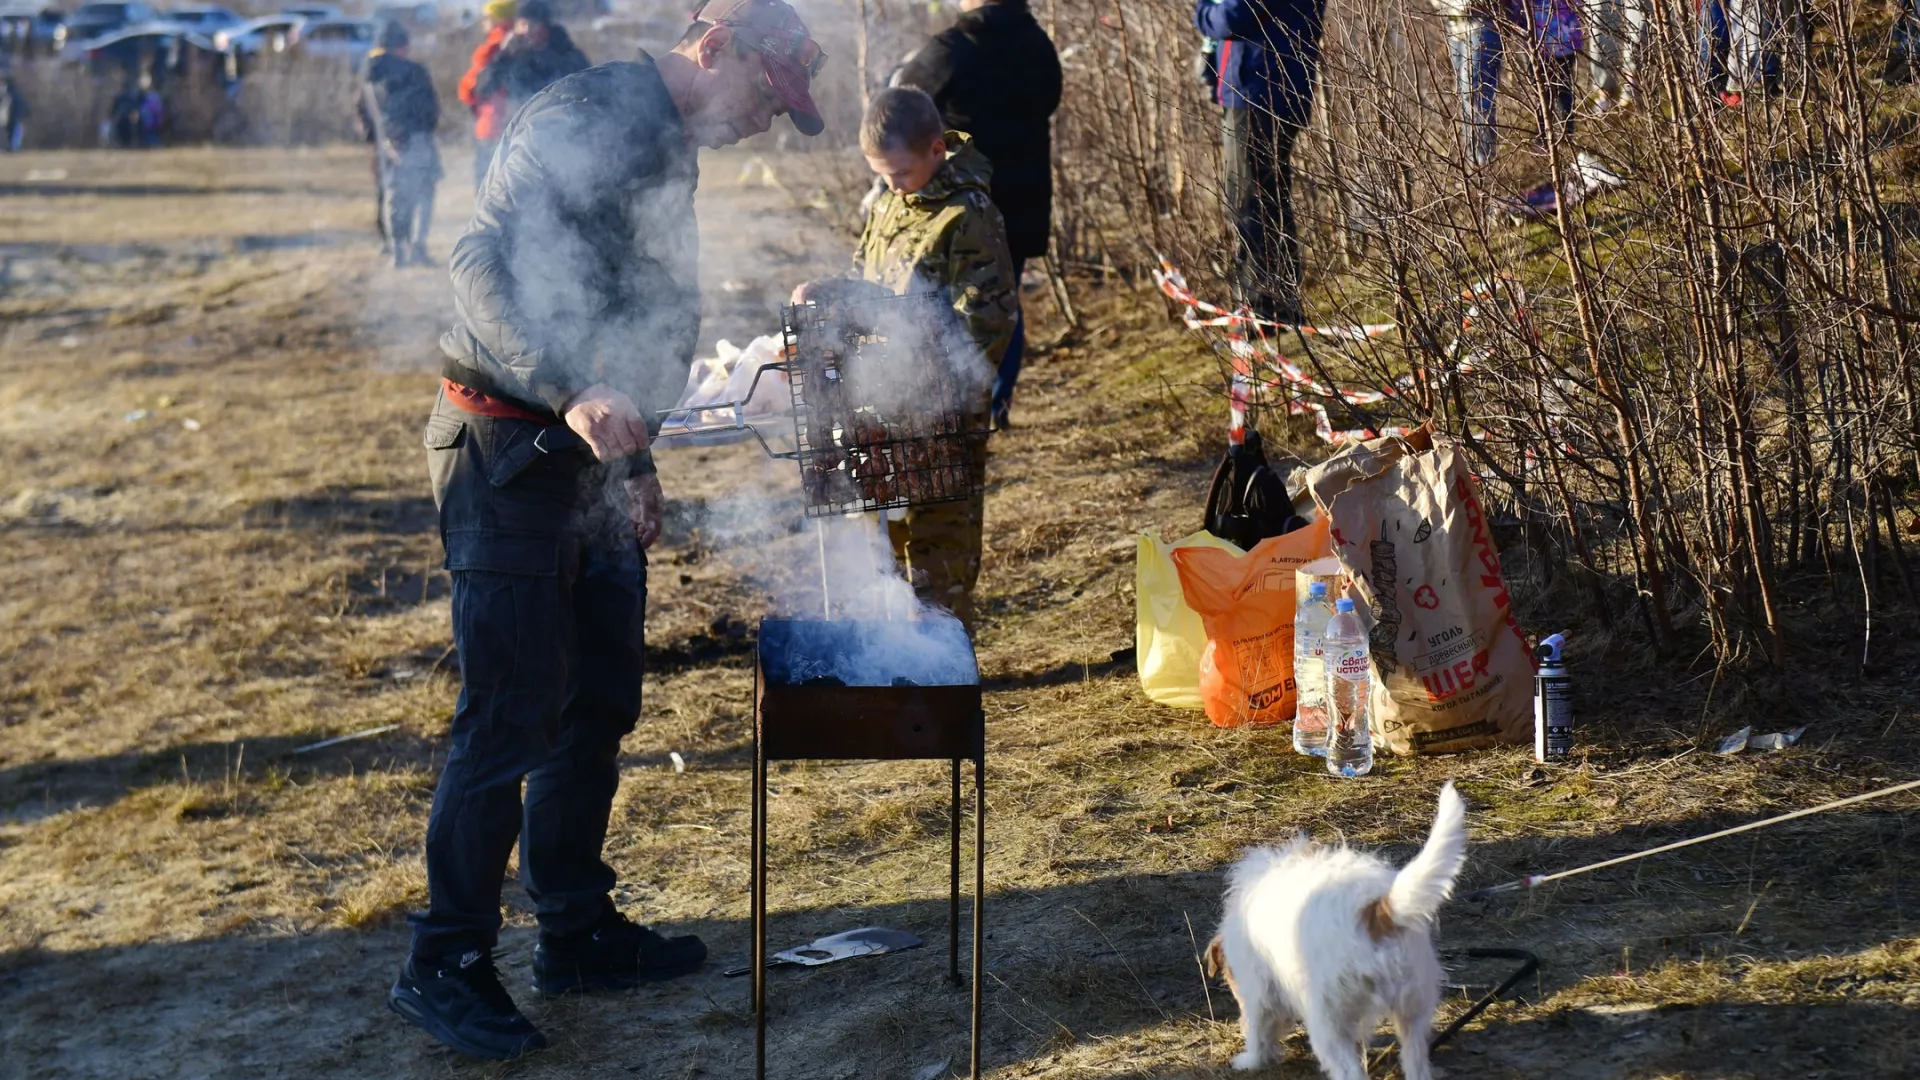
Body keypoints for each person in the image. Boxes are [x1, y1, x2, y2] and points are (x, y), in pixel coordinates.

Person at [388, 0, 824, 1061]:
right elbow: (480, 262)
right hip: (505, 455)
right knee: (509, 712)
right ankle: (442, 962)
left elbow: (636, 313)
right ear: (716, 48)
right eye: (769, 95)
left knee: (596, 701)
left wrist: (632, 461)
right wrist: (572, 388)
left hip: (585, 456)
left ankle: (574, 930)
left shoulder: (670, 152)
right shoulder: (580, 113)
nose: (767, 122)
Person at [792, 88, 1017, 630]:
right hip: (885, 405)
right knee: (889, 546)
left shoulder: (968, 214)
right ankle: (903, 665)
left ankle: (946, 676)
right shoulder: (890, 202)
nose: (889, 185)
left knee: (939, 551)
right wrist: (829, 292)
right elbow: (871, 286)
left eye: (898, 173)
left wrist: (930, 386)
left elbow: (986, 321)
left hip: (943, 415)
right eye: (881, 174)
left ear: (937, 150)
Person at [896, 0, 1060, 430]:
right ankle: (995, 406)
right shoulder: (1037, 43)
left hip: (962, 204)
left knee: (948, 304)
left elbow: (904, 100)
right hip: (1024, 198)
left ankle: (952, 405)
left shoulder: (953, 47)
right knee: (1004, 303)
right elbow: (1050, 98)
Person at [1193, 0, 1325, 325]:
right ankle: (1279, 301)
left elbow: (1231, 18)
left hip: (1259, 86)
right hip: (1275, 84)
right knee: (1269, 194)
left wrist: (1204, 11)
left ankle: (1265, 307)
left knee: (1249, 200)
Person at [358, 21, 443, 268]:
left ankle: (396, 251)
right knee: (424, 192)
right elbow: (430, 109)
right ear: (401, 46)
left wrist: (378, 139)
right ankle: (417, 246)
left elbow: (363, 110)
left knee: (394, 196)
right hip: (415, 139)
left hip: (385, 142)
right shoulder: (414, 71)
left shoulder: (367, 72)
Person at [472, 0, 589, 146]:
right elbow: (483, 89)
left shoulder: (565, 53)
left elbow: (585, 89)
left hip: (560, 135)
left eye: (533, 25)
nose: (527, 31)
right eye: (522, 25)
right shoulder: (510, 55)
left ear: (546, 28)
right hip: (519, 136)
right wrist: (504, 56)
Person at [458, 0, 516, 186]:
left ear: (497, 19)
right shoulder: (518, 44)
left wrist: (468, 97)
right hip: (509, 124)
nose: (483, 22)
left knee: (487, 185)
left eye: (486, 18)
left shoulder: (493, 48)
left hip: (492, 125)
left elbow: (473, 87)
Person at [0, 66, 25, 152]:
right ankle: (12, 147)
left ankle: (12, 147)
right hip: (11, 115)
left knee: (13, 131)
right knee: (13, 132)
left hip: (11, 115)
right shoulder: (13, 91)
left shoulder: (9, 91)